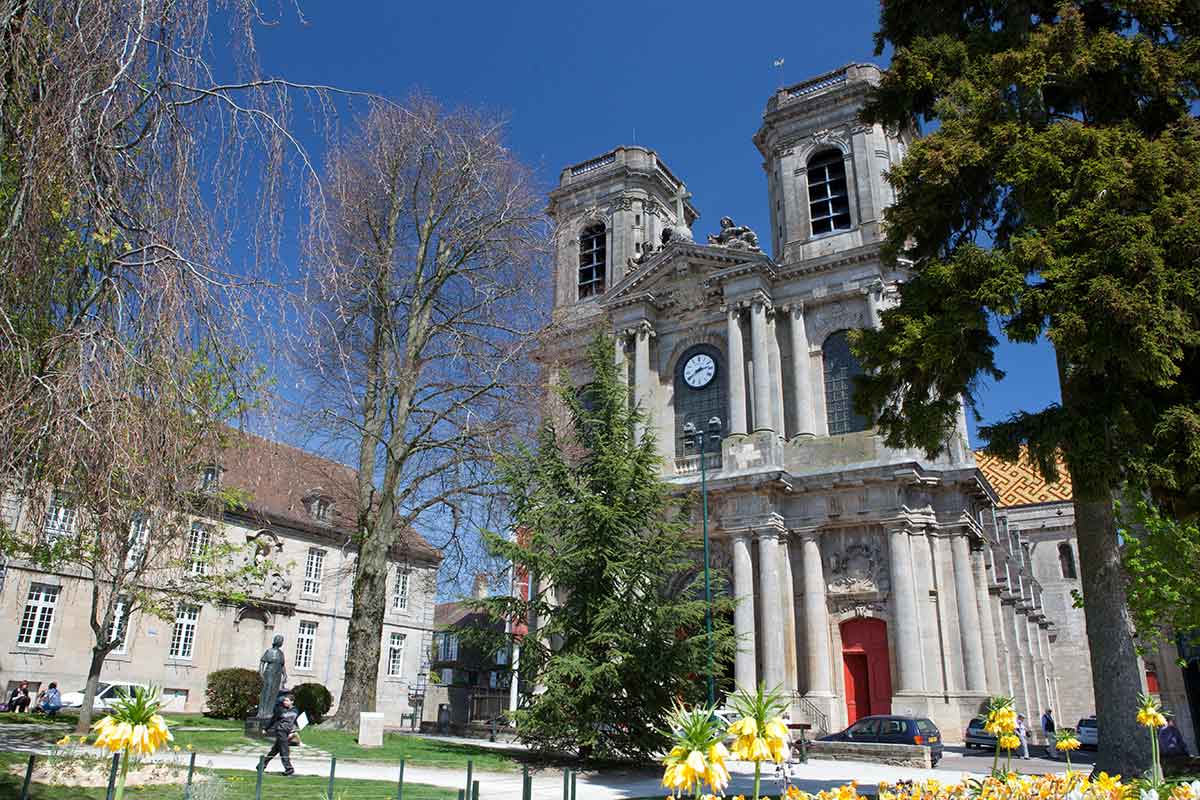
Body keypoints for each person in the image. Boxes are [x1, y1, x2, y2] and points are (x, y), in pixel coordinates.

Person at [262, 694, 298, 776]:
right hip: (280, 731)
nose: (285, 702)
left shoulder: (295, 710)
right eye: (284, 700)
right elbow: (273, 719)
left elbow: (295, 722)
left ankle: (261, 765)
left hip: (288, 732)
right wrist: (266, 729)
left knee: (275, 750)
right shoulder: (280, 710)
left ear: (292, 702)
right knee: (284, 750)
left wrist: (293, 732)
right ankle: (289, 769)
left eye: (287, 701)